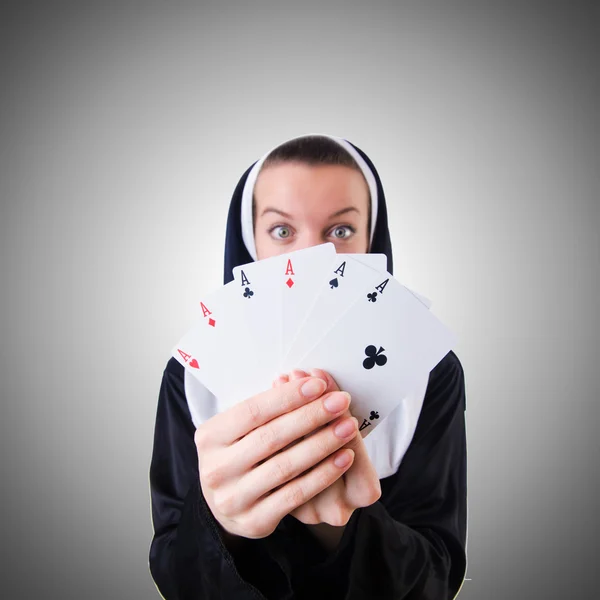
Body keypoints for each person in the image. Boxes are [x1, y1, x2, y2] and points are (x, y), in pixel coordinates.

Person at [149, 134, 468, 599]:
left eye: (340, 231)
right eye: (282, 231)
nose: (312, 258)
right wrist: (224, 524)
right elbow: (173, 570)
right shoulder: (191, 377)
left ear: (372, 240)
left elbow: (438, 576)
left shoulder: (432, 372)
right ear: (248, 241)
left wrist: (346, 529)